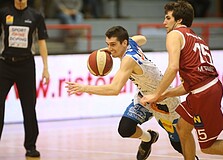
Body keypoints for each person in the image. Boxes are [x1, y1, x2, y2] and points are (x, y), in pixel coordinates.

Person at [66, 26, 200, 160]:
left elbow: (114, 89)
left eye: (113, 45)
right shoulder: (130, 44)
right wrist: (125, 43)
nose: (110, 49)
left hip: (165, 100)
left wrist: (84, 88)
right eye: (108, 44)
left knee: (178, 144)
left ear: (124, 43)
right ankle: (148, 138)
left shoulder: (128, 60)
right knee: (125, 129)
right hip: (145, 97)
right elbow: (143, 39)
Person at [140, 1, 223, 160]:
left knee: (208, 147)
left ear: (178, 20)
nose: (164, 22)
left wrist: (155, 94)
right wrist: (164, 94)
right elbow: (190, 84)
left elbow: (173, 68)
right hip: (206, 88)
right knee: (182, 128)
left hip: (203, 93)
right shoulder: (197, 38)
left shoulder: (174, 34)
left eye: (168, 18)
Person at [0, 0, 50, 157]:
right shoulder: (4, 13)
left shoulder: (36, 16)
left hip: (26, 66)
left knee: (29, 107)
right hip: (5, 65)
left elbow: (41, 42)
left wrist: (46, 68)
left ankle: (30, 146)